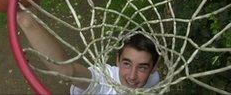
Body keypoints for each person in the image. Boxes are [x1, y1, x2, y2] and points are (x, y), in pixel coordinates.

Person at [17, 11, 160, 94]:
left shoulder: (154, 80)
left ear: (153, 68)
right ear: (117, 60)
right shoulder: (103, 82)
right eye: (127, 64)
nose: (132, 76)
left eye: (142, 67)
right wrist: (27, 22)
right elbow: (67, 71)